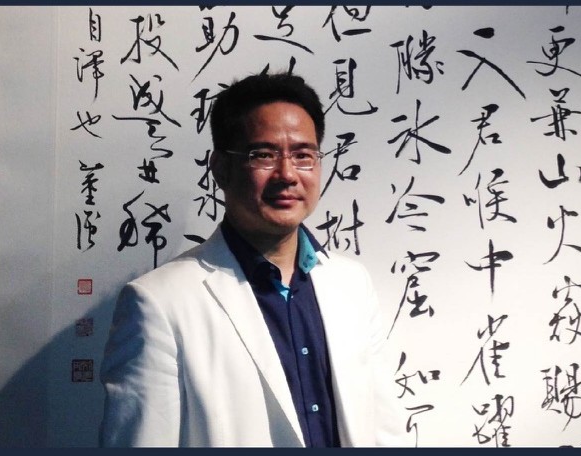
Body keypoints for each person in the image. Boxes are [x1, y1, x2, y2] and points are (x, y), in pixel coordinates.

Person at [98, 72, 406, 447]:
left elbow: (384, 430)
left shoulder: (352, 283)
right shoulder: (158, 303)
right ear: (220, 169)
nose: (287, 174)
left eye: (303, 155)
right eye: (263, 155)